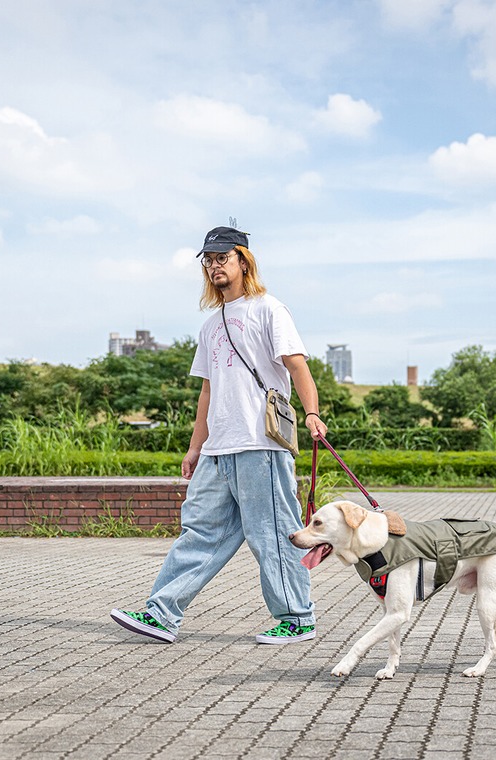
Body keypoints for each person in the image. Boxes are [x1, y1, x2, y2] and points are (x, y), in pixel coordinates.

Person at [111, 226, 328, 644]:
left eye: (222, 258)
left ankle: (297, 618)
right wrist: (195, 448)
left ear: (243, 262)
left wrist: (313, 413)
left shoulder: (269, 309)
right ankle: (162, 613)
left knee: (273, 533)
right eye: (208, 260)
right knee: (200, 533)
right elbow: (207, 392)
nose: (214, 267)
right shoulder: (210, 326)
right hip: (217, 449)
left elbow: (297, 366)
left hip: (260, 445)